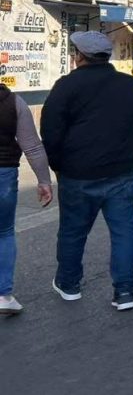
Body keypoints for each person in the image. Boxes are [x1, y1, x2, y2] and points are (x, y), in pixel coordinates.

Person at [40, 32, 133, 311]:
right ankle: (124, 292)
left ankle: (69, 285)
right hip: (121, 173)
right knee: (123, 233)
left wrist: (59, 164)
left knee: (72, 232)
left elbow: (51, 131)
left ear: (79, 56)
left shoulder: (66, 86)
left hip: (77, 174)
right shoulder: (130, 85)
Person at [0, 84, 53, 315]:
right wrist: (44, 181)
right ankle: (3, 295)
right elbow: (32, 146)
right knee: (3, 232)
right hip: (4, 174)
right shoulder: (13, 102)